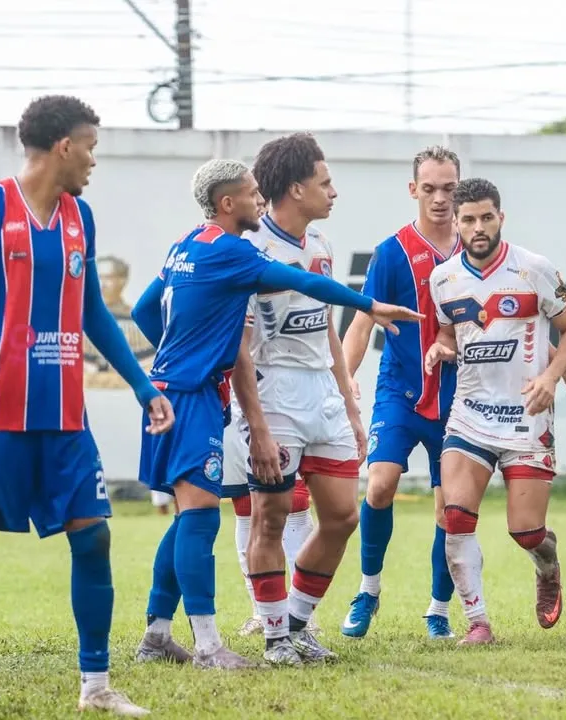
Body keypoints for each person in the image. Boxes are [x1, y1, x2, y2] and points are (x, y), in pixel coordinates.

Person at [130, 159, 422, 669]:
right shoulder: (236, 251)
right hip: (199, 395)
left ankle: (158, 636)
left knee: (189, 521)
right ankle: (211, 647)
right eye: (250, 194)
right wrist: (369, 304)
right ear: (228, 203)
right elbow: (300, 284)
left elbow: (142, 311)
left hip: (176, 389)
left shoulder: (187, 244)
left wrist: (181, 351)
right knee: (202, 521)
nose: (258, 201)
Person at [0, 95, 174, 718]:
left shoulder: (80, 217)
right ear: (64, 147)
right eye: (91, 147)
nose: (95, 161)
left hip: (66, 419)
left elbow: (92, 311)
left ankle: (95, 687)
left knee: (94, 538)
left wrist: (142, 383)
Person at [221, 133, 366, 665]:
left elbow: (326, 324)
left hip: (322, 390)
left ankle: (296, 624)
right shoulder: (252, 250)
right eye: (326, 182)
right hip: (271, 388)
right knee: (271, 515)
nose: (334, 192)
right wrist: (255, 422)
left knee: (343, 516)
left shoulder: (320, 248)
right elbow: (238, 344)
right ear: (296, 188)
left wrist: (348, 400)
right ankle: (275, 637)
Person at [424, 177, 566, 645]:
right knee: (454, 517)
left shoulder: (534, 268)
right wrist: (439, 349)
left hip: (526, 416)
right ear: (455, 223)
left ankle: (547, 564)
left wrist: (552, 376)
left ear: (501, 218)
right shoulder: (443, 278)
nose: (479, 227)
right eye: (469, 219)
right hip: (470, 414)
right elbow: (446, 332)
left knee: (526, 531)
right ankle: (478, 623)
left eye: (487, 217)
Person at [339, 146, 462, 640]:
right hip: (400, 391)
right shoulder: (391, 252)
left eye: (448, 188)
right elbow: (361, 322)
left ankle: (438, 610)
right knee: (380, 484)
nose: (439, 198)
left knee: (448, 508)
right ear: (413, 190)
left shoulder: (477, 248)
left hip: (459, 399)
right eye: (429, 188)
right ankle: (368, 590)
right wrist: (344, 383)